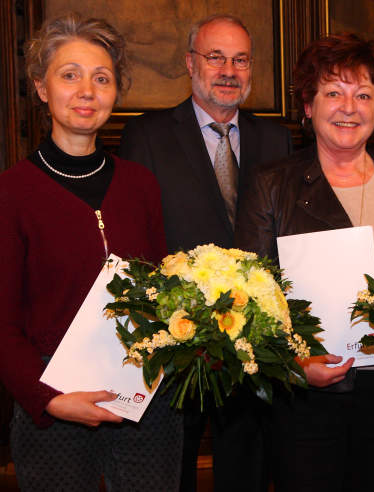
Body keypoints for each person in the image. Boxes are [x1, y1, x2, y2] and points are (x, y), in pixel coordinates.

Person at [235, 33, 374, 492]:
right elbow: (248, 297)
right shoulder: (271, 184)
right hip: (307, 394)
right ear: (308, 108)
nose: (348, 107)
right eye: (333, 92)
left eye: (363, 95)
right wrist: (294, 362)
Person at [0, 13, 182, 490]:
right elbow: (2, 323)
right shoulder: (11, 192)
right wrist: (49, 399)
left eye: (101, 78)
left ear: (116, 92)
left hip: (145, 406)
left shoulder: (140, 184)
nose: (87, 90)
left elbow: (163, 292)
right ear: (41, 88)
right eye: (69, 75)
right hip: (52, 407)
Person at [117, 14, 292, 492]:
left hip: (255, 340)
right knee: (173, 471)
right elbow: (133, 238)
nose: (228, 70)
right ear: (190, 63)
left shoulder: (277, 139)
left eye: (239, 60)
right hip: (179, 341)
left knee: (248, 470)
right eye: (215, 57)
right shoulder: (146, 136)